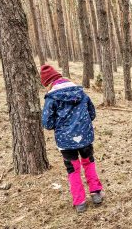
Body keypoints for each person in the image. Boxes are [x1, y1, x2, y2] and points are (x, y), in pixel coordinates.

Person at [40, 65, 104, 213]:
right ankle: (96, 194)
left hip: (65, 141)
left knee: (73, 170)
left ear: (49, 83)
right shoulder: (81, 93)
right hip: (85, 137)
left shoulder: (52, 99)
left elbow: (47, 123)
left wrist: (62, 125)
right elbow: (92, 113)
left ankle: (80, 202)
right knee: (89, 163)